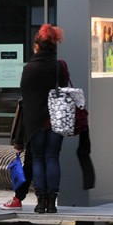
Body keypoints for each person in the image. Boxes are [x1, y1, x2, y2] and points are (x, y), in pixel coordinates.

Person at [17, 24, 66, 213]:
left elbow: (25, 98)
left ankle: (40, 201)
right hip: (56, 118)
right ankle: (52, 202)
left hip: (35, 121)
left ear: (37, 46)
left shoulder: (30, 68)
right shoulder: (58, 66)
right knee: (52, 157)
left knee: (38, 159)